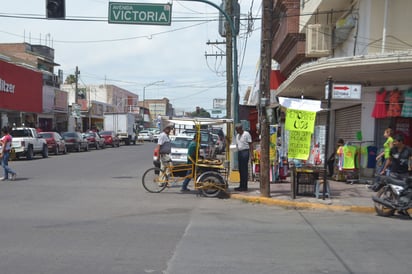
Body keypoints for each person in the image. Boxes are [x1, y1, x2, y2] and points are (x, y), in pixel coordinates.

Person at [234, 123, 254, 191]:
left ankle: (244, 186)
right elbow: (237, 144)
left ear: (241, 129)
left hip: (245, 152)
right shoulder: (237, 136)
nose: (237, 131)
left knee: (244, 169)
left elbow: (250, 144)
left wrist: (252, 155)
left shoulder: (246, 134)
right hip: (240, 152)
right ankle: (241, 185)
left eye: (237, 130)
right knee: (240, 170)